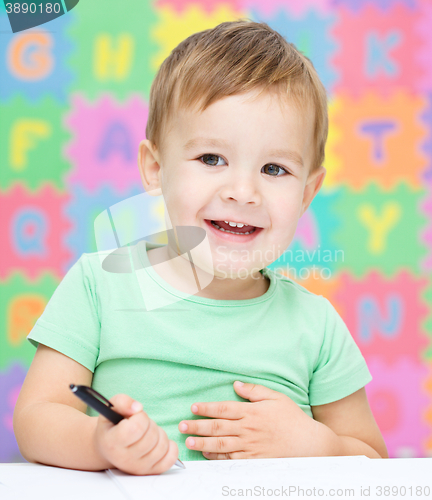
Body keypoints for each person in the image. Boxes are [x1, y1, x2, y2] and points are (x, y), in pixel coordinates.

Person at [13, 19, 388, 476]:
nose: (243, 191)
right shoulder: (100, 284)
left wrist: (319, 445)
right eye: (212, 159)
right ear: (155, 168)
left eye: (274, 169)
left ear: (308, 193)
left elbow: (376, 462)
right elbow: (36, 419)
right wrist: (99, 442)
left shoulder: (317, 327)